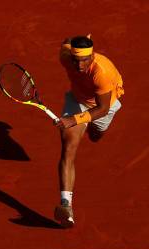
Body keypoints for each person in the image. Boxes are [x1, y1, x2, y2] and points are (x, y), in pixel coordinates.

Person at [54, 34, 124, 227]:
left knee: (95, 136)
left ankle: (90, 128)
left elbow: (102, 109)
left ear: (92, 55)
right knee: (68, 148)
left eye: (85, 60)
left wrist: (74, 120)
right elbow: (65, 41)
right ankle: (66, 205)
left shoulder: (102, 72)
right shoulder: (65, 56)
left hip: (104, 107)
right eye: (76, 61)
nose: (80, 66)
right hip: (76, 101)